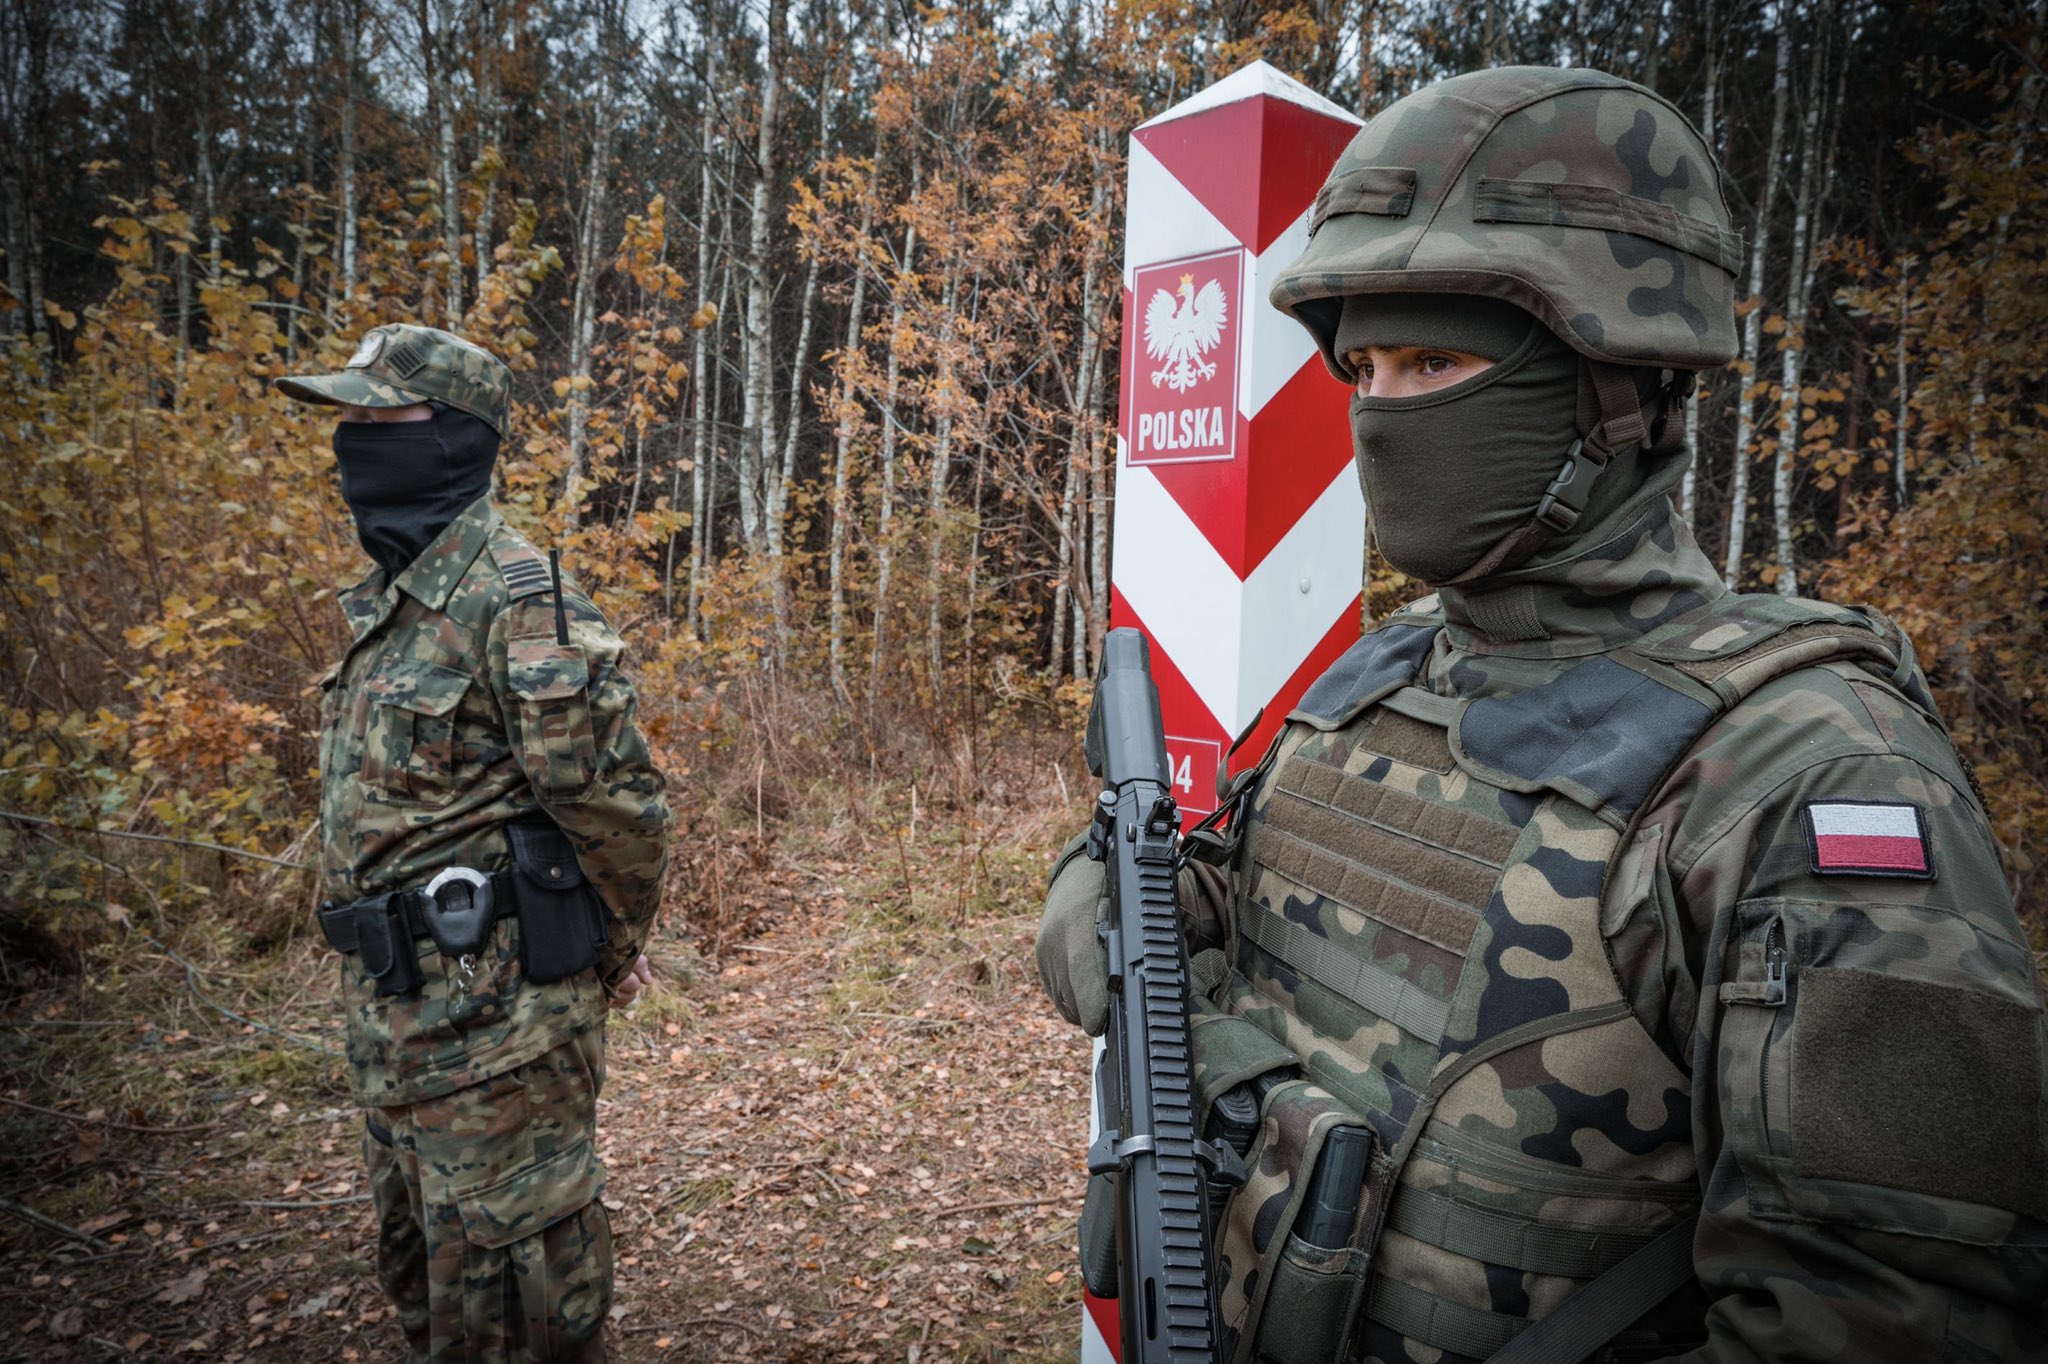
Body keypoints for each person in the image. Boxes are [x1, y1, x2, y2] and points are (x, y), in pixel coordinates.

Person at [1038, 66, 2048, 1363]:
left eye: (1438, 362)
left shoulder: (1808, 774)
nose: (1388, 413)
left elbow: (1887, 1321)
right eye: (1367, 369)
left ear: (1619, 384)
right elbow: (1230, 908)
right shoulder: (1381, 677)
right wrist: (1111, 915)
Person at [276, 324, 672, 1362]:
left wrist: (603, 955)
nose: (352, 442)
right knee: (430, 1294)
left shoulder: (518, 600)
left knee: (521, 1315)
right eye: (346, 419)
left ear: (451, 437)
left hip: (499, 1031)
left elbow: (619, 814)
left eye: (376, 417)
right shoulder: (395, 605)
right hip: (397, 1022)